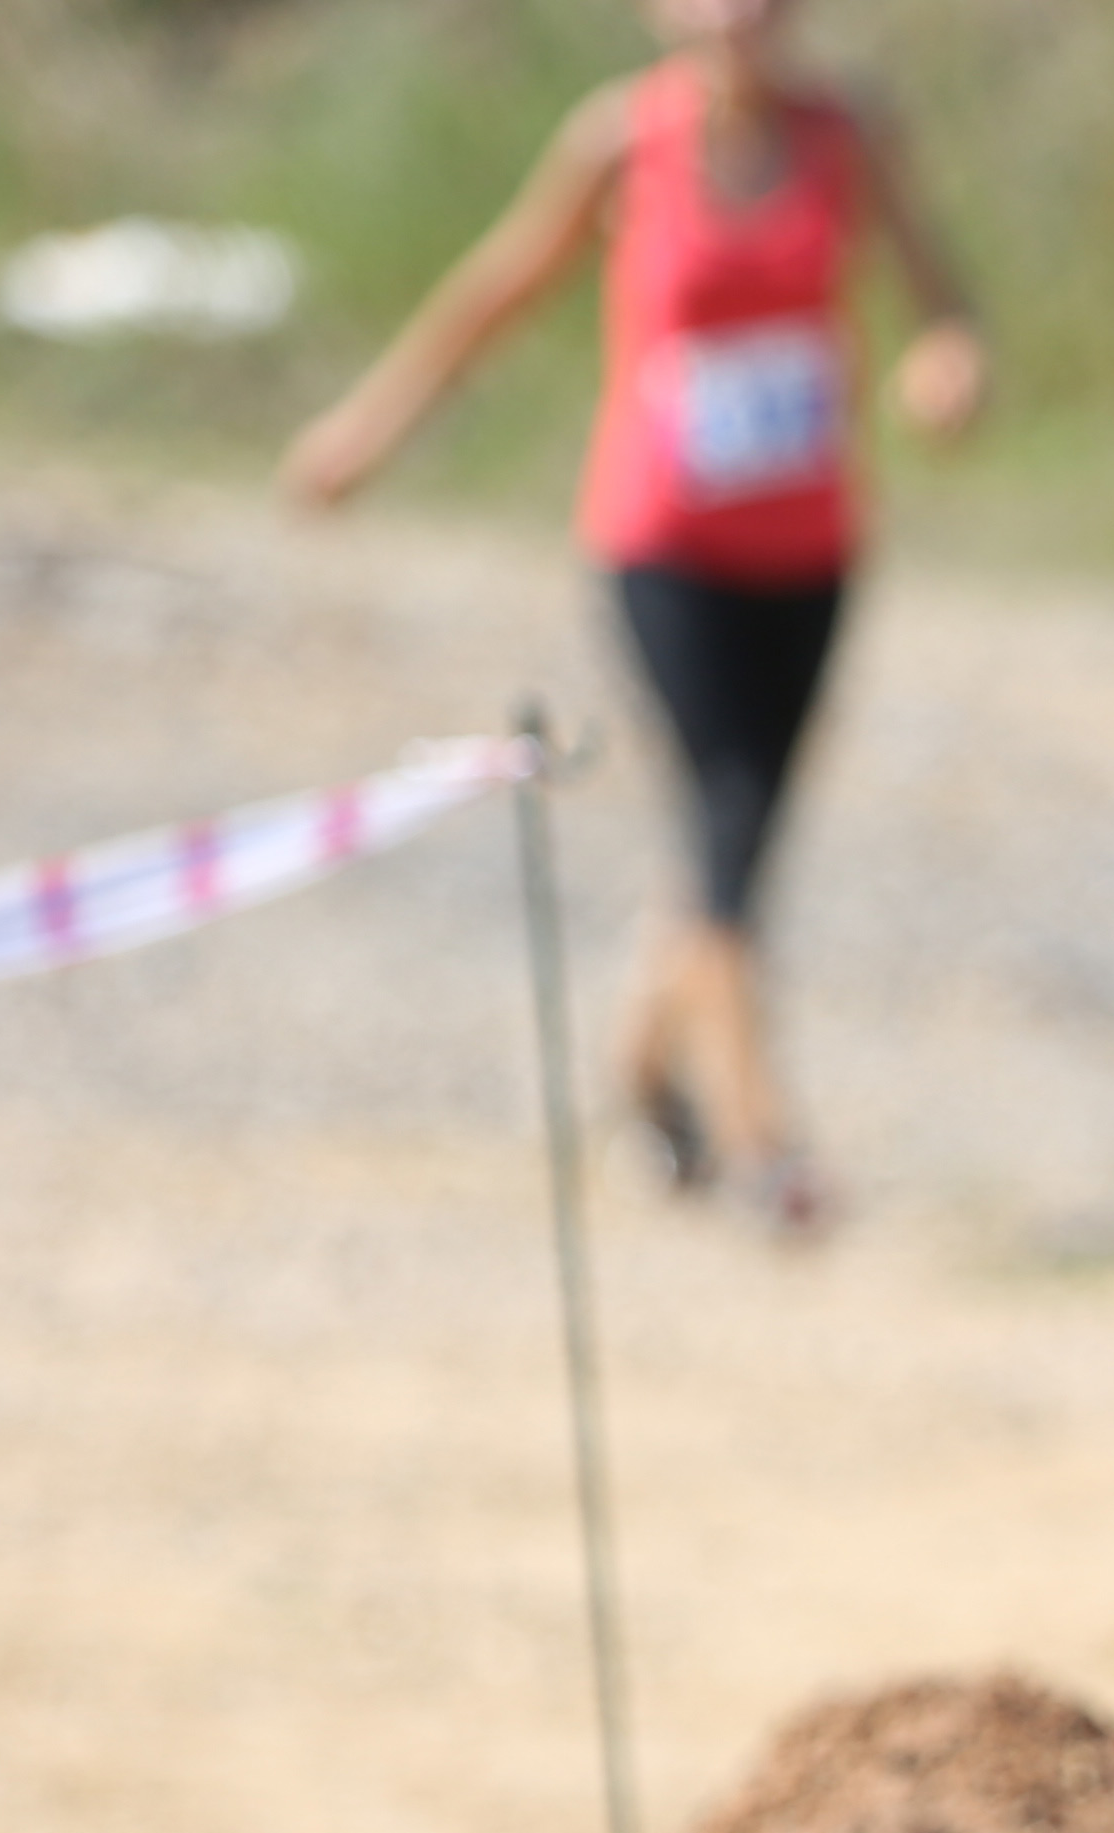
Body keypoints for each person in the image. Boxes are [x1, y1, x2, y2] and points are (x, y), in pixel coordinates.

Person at [282, 0, 985, 1236]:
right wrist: (367, 432)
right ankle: (766, 1144)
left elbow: (941, 295)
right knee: (722, 817)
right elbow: (498, 289)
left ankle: (639, 1066)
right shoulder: (621, 143)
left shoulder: (852, 134)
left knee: (741, 835)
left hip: (810, 546)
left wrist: (949, 363)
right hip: (664, 543)